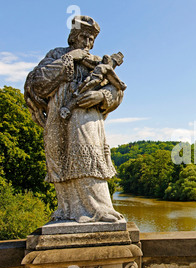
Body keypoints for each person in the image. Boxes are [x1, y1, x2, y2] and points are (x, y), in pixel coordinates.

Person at [24, 16, 125, 223]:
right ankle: (69, 210)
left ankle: (99, 209)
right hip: (58, 119)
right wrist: (70, 59)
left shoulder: (97, 62)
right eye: (84, 37)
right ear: (73, 37)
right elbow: (36, 83)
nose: (88, 43)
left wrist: (101, 96)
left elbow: (117, 90)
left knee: (87, 158)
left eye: (91, 39)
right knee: (60, 161)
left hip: (86, 118)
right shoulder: (57, 55)